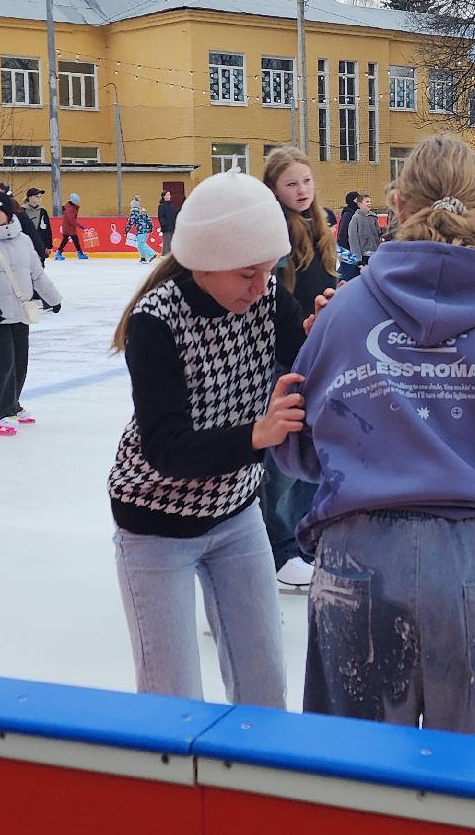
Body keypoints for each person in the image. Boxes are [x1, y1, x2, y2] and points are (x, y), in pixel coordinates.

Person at [272, 133, 475, 744]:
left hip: (358, 559)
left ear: (396, 204)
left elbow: (299, 448)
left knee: (353, 775)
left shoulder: (344, 311)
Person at [105, 170, 305, 706]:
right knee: (172, 699)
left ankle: (257, 763)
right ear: (205, 261)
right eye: (247, 274)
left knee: (265, 682)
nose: (261, 287)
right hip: (154, 521)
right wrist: (257, 435)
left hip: (236, 514)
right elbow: (165, 446)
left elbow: (312, 366)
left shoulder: (267, 301)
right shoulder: (157, 320)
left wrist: (330, 328)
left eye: (270, 270)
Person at [260, 147, 339, 587]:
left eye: (306, 180)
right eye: (291, 183)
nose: (302, 190)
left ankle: (302, 542)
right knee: (282, 459)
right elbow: (272, 301)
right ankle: (278, 549)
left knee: (314, 452)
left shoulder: (319, 224)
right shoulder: (274, 232)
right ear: (273, 189)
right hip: (286, 358)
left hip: (318, 354)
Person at [0, 193, 62, 436]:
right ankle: (0, 414)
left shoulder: (23, 240)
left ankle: (12, 404)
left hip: (20, 309)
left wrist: (53, 298)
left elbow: (36, 274)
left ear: (8, 214)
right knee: (3, 363)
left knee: (19, 362)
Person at [18, 188, 53, 262]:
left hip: (40, 244)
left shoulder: (42, 211)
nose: (39, 199)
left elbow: (47, 229)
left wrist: (49, 245)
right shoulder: (22, 211)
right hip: (25, 244)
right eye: (37, 196)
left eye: (40, 197)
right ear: (30, 197)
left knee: (40, 264)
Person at [347, 200, 384, 269]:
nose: (369, 203)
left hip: (375, 253)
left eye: (370, 201)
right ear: (359, 204)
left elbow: (379, 233)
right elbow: (353, 239)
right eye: (367, 202)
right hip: (364, 254)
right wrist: (357, 258)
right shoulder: (356, 218)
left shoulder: (373, 217)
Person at [55, 193, 89, 260]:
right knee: (67, 240)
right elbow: (72, 220)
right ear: (74, 201)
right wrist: (81, 226)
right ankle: (59, 253)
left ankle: (79, 253)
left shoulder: (72, 207)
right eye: (77, 201)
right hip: (68, 227)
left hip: (70, 227)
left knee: (72, 240)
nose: (78, 203)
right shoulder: (70, 209)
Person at [127, 196, 156, 262]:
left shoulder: (134, 212)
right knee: (140, 244)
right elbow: (149, 220)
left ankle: (152, 254)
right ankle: (143, 258)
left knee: (141, 244)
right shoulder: (143, 211)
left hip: (141, 231)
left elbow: (131, 222)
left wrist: (126, 230)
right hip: (146, 231)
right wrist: (150, 228)